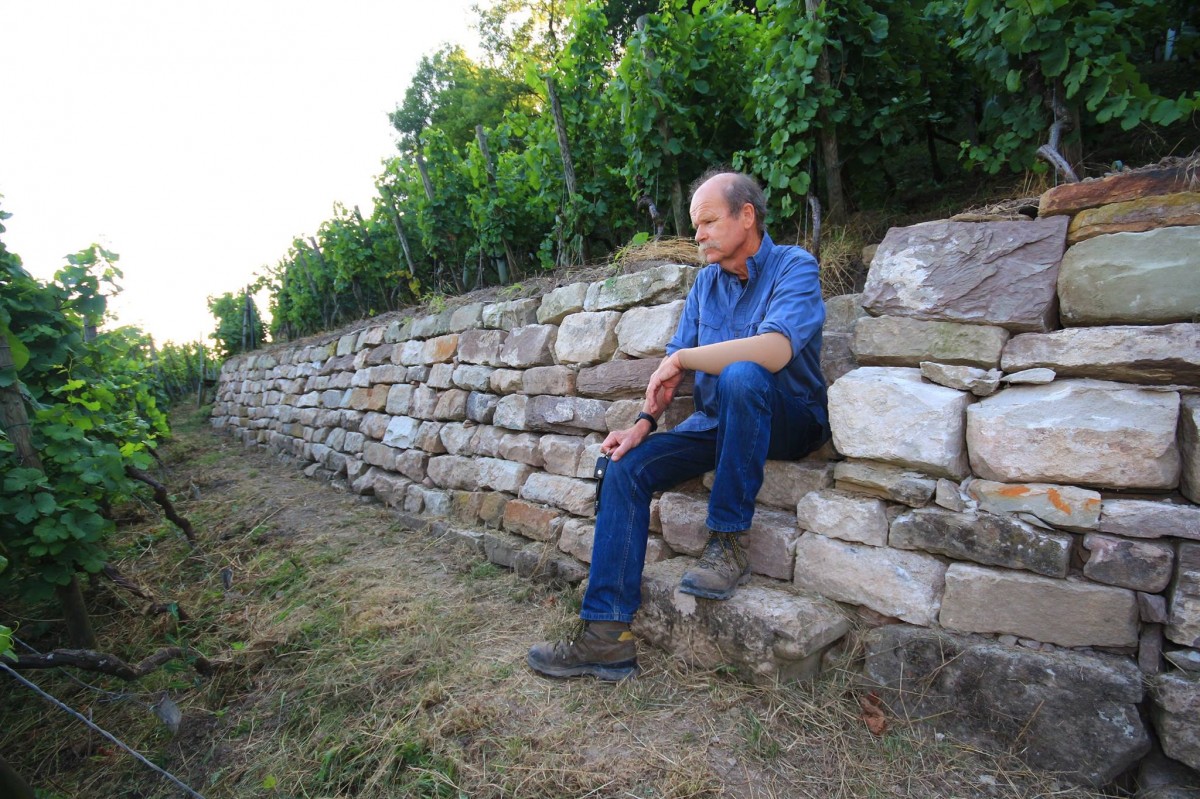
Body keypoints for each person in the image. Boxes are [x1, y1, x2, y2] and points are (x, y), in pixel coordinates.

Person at [527, 168, 830, 680]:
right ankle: (606, 636)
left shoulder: (793, 266)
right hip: (719, 421)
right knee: (625, 467)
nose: (698, 235)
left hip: (789, 419)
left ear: (747, 215)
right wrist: (642, 424)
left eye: (708, 222)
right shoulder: (705, 284)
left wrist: (686, 357)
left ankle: (727, 543)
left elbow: (776, 351)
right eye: (695, 226)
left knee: (742, 375)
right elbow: (670, 375)